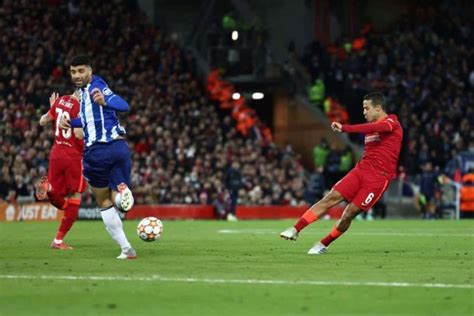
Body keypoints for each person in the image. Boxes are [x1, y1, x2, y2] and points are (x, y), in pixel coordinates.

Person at [280, 92, 403, 254]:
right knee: (330, 197)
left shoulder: (391, 122)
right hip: (360, 171)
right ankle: (295, 229)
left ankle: (323, 244)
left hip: (378, 179)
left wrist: (345, 128)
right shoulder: (371, 127)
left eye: (367, 108)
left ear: (378, 108)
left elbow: (376, 128)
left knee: (349, 213)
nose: (364, 112)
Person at [60, 55, 136, 259]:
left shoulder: (97, 87)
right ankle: (121, 195)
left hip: (97, 152)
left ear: (90, 72)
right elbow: (87, 120)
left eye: (81, 71)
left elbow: (123, 105)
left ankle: (127, 248)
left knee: (104, 201)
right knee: (116, 193)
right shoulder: (85, 93)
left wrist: (105, 101)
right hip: (119, 148)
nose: (77, 75)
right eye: (73, 72)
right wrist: (71, 122)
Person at [36, 91, 86, 250]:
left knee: (62, 199)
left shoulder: (61, 101)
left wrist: (53, 109)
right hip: (73, 157)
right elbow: (79, 135)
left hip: (56, 153)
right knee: (75, 198)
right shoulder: (81, 106)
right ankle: (58, 241)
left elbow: (42, 121)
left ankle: (49, 188)